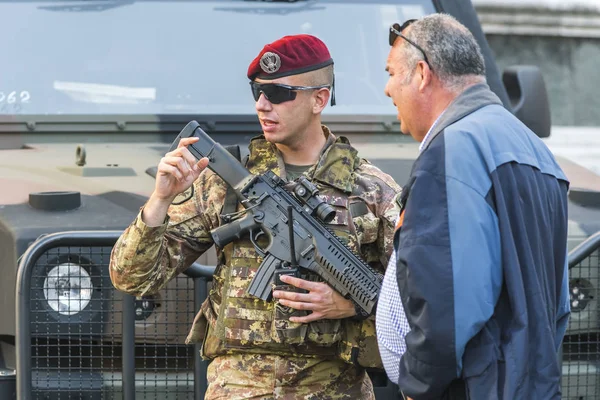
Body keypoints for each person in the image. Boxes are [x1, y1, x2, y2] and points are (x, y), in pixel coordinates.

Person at [109, 34, 402, 399]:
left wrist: (350, 305)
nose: (263, 105)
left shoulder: (372, 191)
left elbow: (416, 301)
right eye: (257, 92)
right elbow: (132, 279)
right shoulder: (226, 182)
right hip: (236, 388)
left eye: (279, 94)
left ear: (320, 99)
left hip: (331, 388)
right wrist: (160, 199)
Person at [376, 13, 571, 400]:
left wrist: (419, 384)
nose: (386, 89)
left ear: (420, 74)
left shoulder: (452, 151)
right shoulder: (536, 150)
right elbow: (557, 302)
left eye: (391, 73)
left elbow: (447, 303)